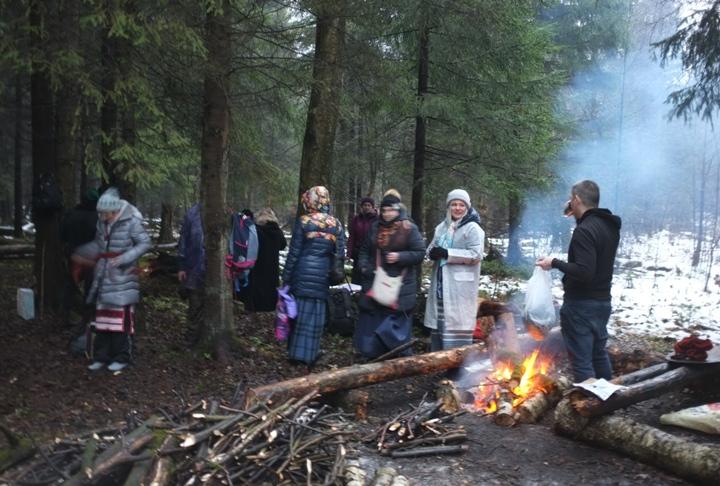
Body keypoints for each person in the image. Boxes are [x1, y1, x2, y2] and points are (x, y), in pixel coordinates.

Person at [537, 180, 621, 382]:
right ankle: (607, 398)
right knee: (598, 354)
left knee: (582, 362)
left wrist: (554, 262)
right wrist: (576, 214)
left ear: (576, 199)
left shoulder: (584, 230)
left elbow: (585, 271)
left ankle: (589, 399)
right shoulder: (608, 226)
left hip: (581, 306)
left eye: (571, 199)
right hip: (602, 302)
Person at [77, 187, 151, 372]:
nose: (102, 217)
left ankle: (122, 357)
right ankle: (101, 356)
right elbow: (98, 245)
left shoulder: (132, 222)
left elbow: (145, 243)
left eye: (105, 213)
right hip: (104, 278)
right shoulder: (101, 223)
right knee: (102, 321)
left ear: (115, 210)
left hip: (123, 278)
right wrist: (82, 253)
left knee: (120, 323)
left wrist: (125, 258)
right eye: (101, 214)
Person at [354, 190, 425, 360]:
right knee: (371, 319)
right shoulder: (375, 227)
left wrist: (400, 257)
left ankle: (396, 358)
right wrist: (363, 266)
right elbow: (364, 250)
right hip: (374, 282)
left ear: (398, 210)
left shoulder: (409, 228)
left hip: (399, 285)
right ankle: (371, 355)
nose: (387, 214)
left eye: (391, 210)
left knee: (394, 322)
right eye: (384, 210)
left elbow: (420, 253)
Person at [282, 186, 345, 367]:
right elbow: (340, 254)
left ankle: (295, 354)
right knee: (316, 316)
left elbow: (294, 253)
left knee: (299, 314)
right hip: (322, 275)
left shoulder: (303, 221)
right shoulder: (336, 224)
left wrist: (286, 278)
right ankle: (310, 354)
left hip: (302, 273)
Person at [424, 189, 485, 350]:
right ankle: (438, 359)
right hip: (440, 285)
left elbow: (476, 254)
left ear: (467, 207)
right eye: (454, 204)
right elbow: (431, 248)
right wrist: (432, 253)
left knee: (457, 326)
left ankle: (457, 361)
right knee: (440, 324)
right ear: (448, 206)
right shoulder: (442, 227)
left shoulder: (473, 228)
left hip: (461, 287)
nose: (457, 208)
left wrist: (447, 253)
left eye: (461, 205)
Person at [242, 208, 287, 312]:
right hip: (272, 266)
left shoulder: (256, 230)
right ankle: (270, 307)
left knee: (257, 285)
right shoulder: (277, 231)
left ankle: (256, 307)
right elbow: (283, 245)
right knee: (270, 286)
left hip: (258, 263)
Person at [177, 203, 205, 343]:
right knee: (195, 305)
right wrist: (182, 266)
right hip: (194, 268)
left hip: (216, 271)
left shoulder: (224, 212)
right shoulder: (192, 214)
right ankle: (192, 339)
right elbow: (183, 240)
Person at [347, 197, 378, 284]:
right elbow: (352, 237)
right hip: (357, 252)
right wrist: (349, 253)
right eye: (365, 205)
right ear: (361, 206)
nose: (366, 207)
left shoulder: (377, 219)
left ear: (372, 207)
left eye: (369, 205)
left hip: (371, 253)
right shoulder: (356, 219)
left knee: (369, 278)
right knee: (356, 277)